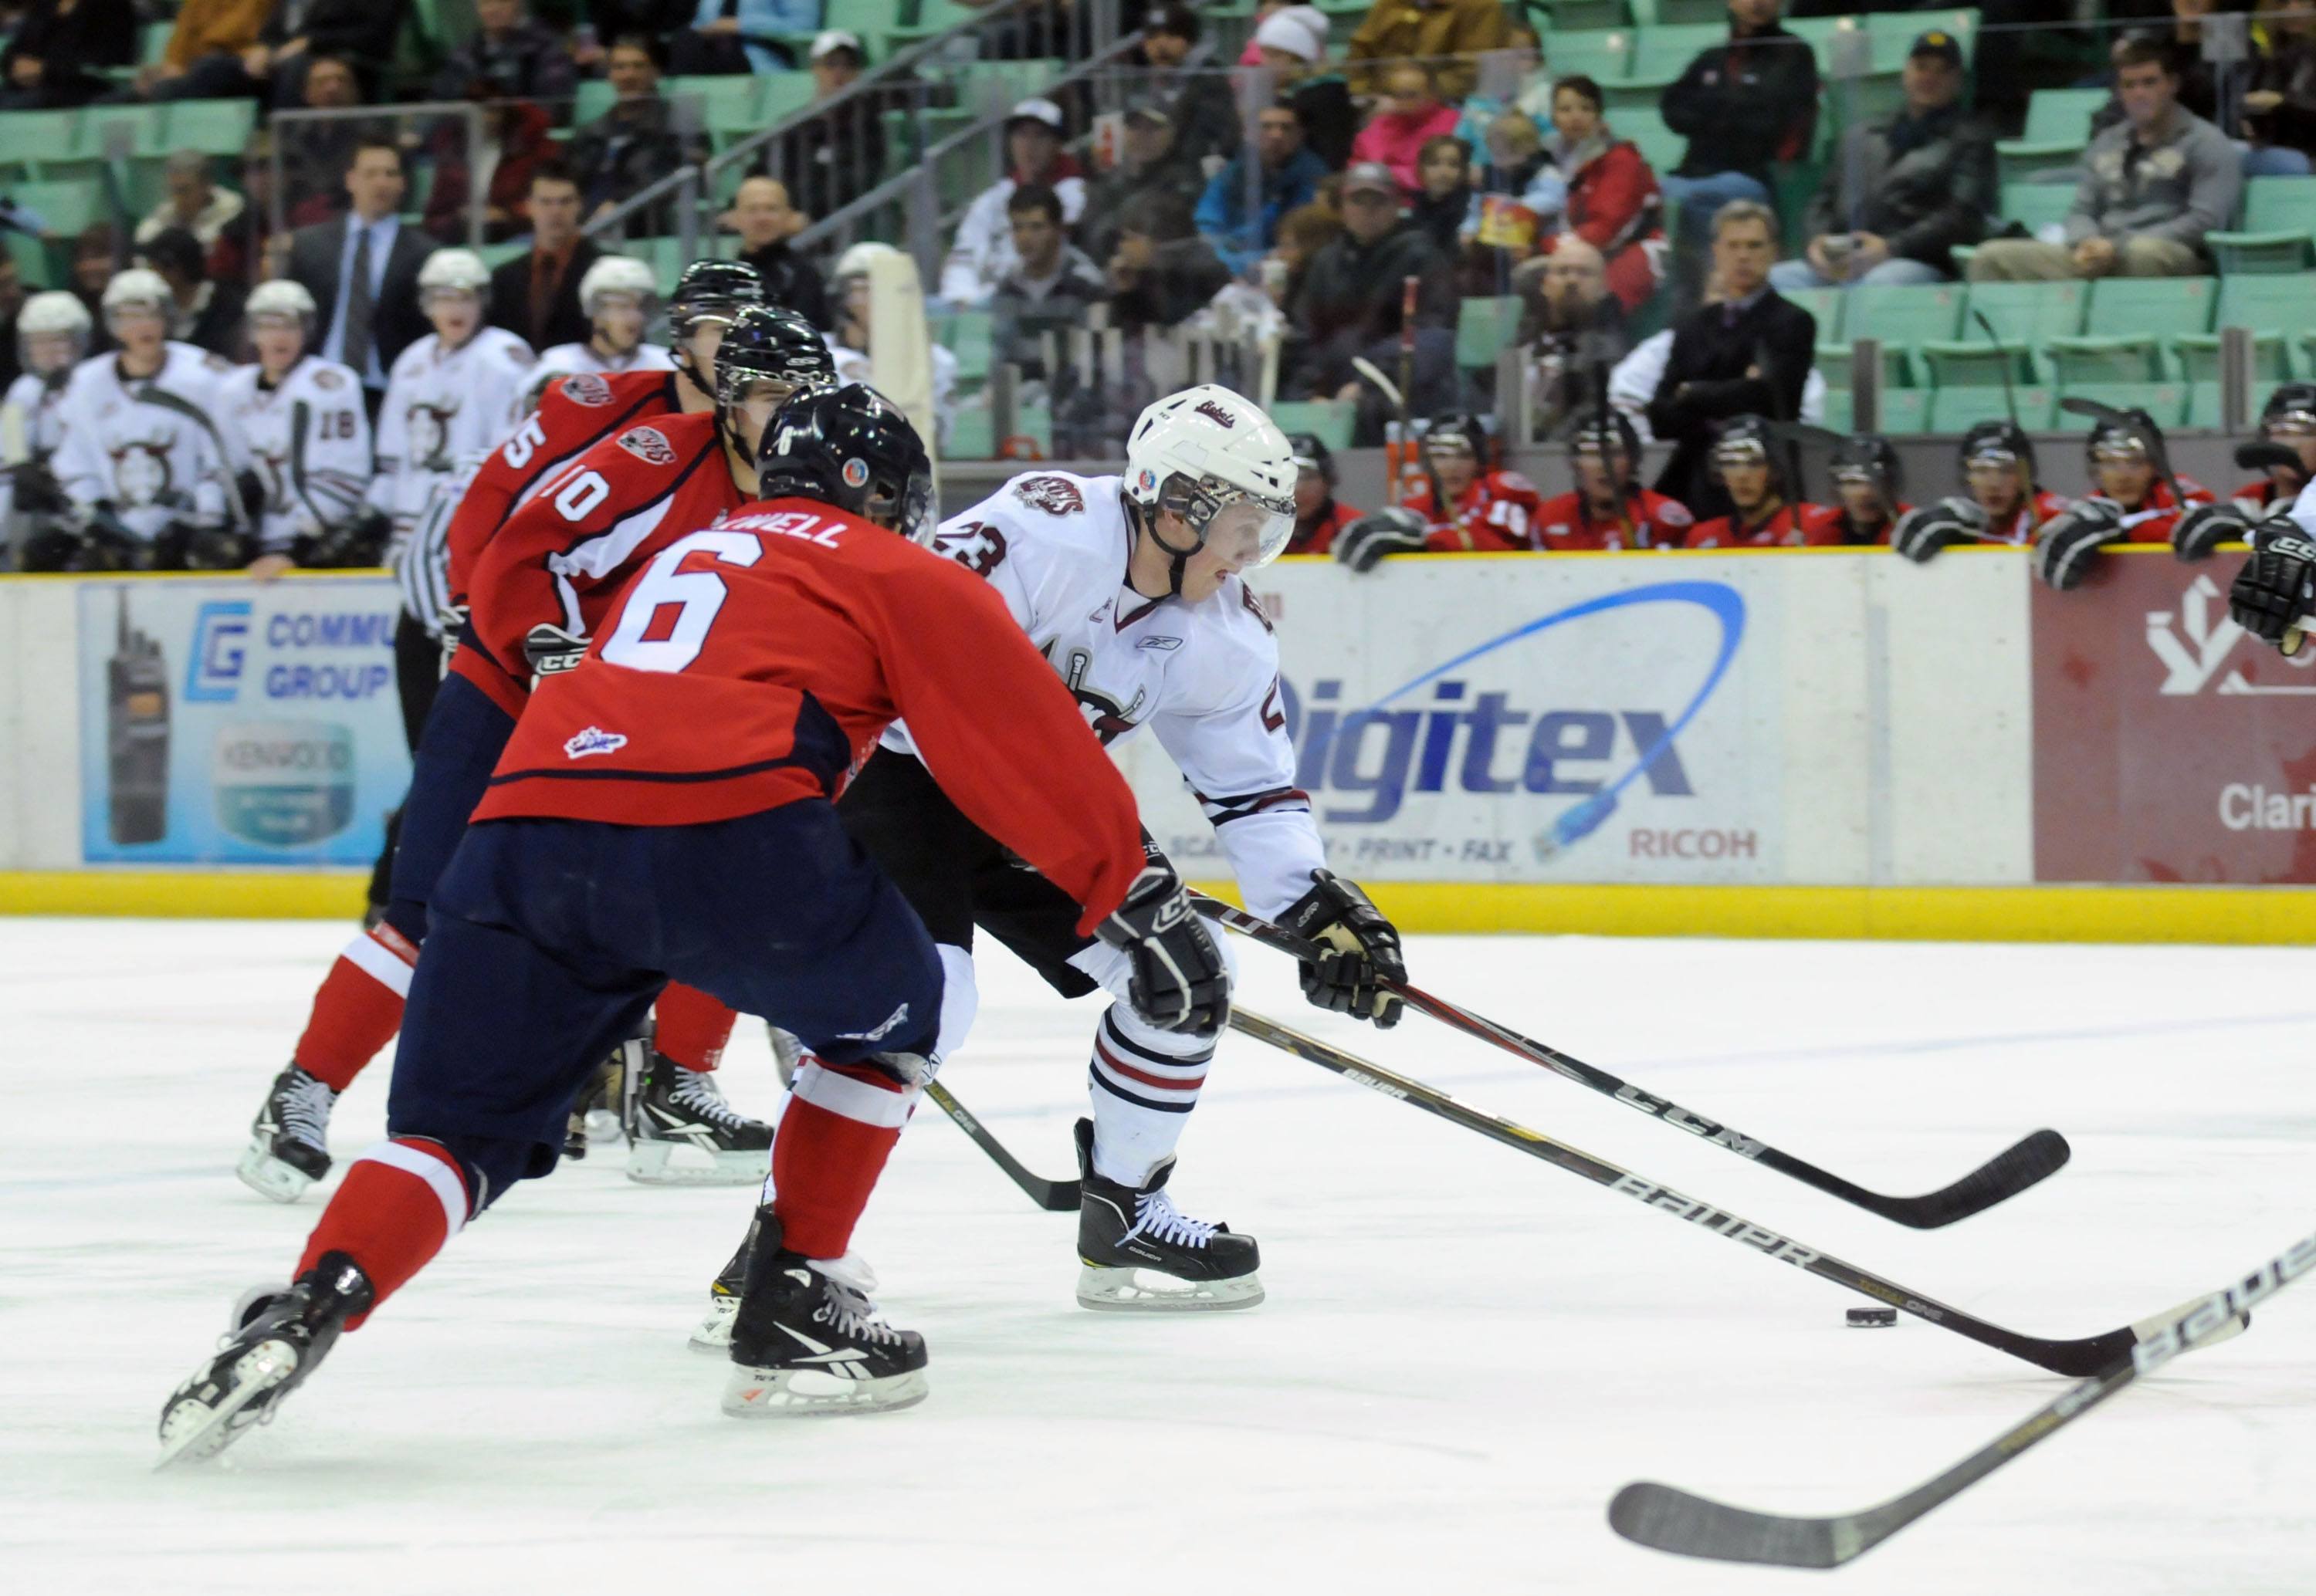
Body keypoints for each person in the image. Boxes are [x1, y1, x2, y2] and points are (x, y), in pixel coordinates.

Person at [155, 383, 1215, 1459]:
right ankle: (795, 1290)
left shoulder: (688, 550)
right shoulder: (896, 566)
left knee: (450, 1139)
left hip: (526, 832)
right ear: (885, 492)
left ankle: (314, 1301)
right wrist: (1132, 889)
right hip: (727, 826)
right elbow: (1021, 740)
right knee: (906, 1011)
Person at [691, 384, 1403, 1338]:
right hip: (895, 773)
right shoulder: (1046, 531)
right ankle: (779, 1254)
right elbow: (906, 659)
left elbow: (1253, 789)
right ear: (1177, 503)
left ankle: (1125, 1215)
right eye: (1240, 524)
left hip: (1035, 798)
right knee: (919, 1006)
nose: (1250, 554)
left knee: (1184, 982)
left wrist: (1313, 904)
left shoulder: (1225, 632)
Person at [236, 260, 777, 1202]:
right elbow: (494, 505)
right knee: (428, 904)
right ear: (682, 336)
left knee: (715, 881)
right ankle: (303, 1092)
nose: (738, 357)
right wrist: (495, 616)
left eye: (753, 340)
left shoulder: (773, 455)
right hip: (516, 676)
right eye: (720, 333)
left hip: (627, 710)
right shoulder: (607, 414)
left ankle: (673, 1081)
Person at [1969, 36, 2240, 282]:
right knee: (1990, 258)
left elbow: (2206, 220)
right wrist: (2087, 243)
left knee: (2143, 254)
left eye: (2149, 82)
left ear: (2172, 85)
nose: (2139, 93)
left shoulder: (2207, 142)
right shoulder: (2106, 142)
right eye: (2129, 85)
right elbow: (2081, 211)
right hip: (2099, 254)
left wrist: (2119, 245)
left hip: (2165, 255)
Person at [33, 270, 237, 572]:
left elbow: (224, 454)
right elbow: (76, 460)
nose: (142, 326)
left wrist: (206, 519)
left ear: (167, 316)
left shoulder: (206, 375)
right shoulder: (86, 383)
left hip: (188, 524)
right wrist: (96, 513)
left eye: (150, 314)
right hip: (117, 525)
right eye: (129, 317)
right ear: (114, 324)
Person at [1776, 32, 1991, 292]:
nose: (1929, 78)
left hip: (1915, 260)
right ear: (1906, 72)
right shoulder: (1864, 134)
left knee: (1878, 284)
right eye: (1921, 67)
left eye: (1942, 71)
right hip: (1846, 256)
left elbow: (1961, 217)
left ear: (1957, 81)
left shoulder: (1970, 139)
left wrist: (1892, 247)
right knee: (1778, 280)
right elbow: (1822, 201)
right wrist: (1817, 243)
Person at [1646, 201, 1816, 516]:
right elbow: (1660, 416)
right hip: (1695, 485)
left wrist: (1693, 393)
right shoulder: (1693, 324)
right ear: (1716, 252)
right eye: (1733, 245)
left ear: (1774, 252)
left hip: (1768, 487)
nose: (1743, 256)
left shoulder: (1792, 321)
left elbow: (1771, 399)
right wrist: (1739, 388)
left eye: (1754, 245)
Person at [367, 250, 534, 556]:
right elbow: (394, 450)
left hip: (472, 512)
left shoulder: (504, 358)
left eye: (465, 298)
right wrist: (375, 508)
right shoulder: (412, 359)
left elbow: (512, 449)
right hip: (411, 511)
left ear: (481, 302)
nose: (455, 310)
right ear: (427, 305)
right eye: (444, 299)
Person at [216, 278, 377, 581]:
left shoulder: (332, 385)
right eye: (269, 325)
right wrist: (230, 531)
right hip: (254, 549)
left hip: (315, 545)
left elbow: (344, 478)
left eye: (290, 326)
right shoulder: (232, 391)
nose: (280, 336)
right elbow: (225, 472)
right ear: (253, 331)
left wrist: (295, 550)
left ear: (306, 330)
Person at [1658, 0, 1819, 300]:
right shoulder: (1713, 57)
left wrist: (1710, 112)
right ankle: (1692, 298)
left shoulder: (1794, 53)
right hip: (1695, 172)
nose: (1757, 2)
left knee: (1688, 200)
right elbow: (1672, 107)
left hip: (1752, 174)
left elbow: (1771, 121)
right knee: (1658, 197)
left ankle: (1715, 292)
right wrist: (1732, 110)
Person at [1282, 162, 1458, 427]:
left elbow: (1432, 334)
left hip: (1392, 394)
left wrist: (1368, 383)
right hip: (1329, 393)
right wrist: (1308, 393)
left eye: (1378, 201)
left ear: (1396, 205)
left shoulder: (1422, 257)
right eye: (1358, 201)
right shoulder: (1326, 262)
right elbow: (1306, 332)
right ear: (1343, 208)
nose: (1367, 210)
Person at [286, 136, 437, 416]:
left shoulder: (425, 254)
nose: (381, 183)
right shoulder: (309, 246)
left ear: (403, 183)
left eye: (390, 174)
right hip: (316, 384)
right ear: (351, 180)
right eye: (370, 174)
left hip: (388, 392)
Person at [1331, 413, 1547, 568]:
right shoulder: (1415, 507)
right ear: (1426, 462)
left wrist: (1424, 541)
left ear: (1480, 459)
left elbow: (1493, 549)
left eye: (1463, 456)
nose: (1452, 467)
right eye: (1440, 456)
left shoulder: (1502, 488)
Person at [2030, 412, 2216, 590]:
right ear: (2096, 469)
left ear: (2156, 465)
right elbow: (2033, 550)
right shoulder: (2086, 511)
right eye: (2110, 463)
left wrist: (2123, 533)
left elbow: (2197, 526)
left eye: (2135, 462)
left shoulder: (2179, 493)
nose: (2123, 476)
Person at [939, 99, 1089, 306]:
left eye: (1040, 135)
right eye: (1021, 135)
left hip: (1048, 304)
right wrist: (964, 298)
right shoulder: (991, 199)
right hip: (987, 308)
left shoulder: (1077, 196)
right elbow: (963, 258)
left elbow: (1044, 262)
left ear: (1058, 143)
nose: (1029, 145)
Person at [1543, 76, 1664, 315]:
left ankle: (1603, 348)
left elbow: (1608, 229)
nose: (1576, 116)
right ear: (1554, 117)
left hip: (1633, 247)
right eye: (1565, 109)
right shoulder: (1549, 160)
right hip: (1579, 249)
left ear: (1599, 115)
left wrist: (1551, 245)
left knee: (1597, 291)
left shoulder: (1621, 159)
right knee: (1532, 279)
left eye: (1586, 108)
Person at [827, 243, 958, 448]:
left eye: (880, 289)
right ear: (843, 298)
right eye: (861, 289)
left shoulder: (935, 359)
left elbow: (938, 435)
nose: (873, 299)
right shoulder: (822, 353)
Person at [1891, 421, 2067, 563]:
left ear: (2026, 476)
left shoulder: (2050, 515)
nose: (1993, 484)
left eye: (2006, 470)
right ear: (1967, 476)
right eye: (1982, 470)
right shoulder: (1957, 520)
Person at [1199, 101, 1329, 279]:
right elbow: (1208, 224)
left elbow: (1302, 243)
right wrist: (1233, 261)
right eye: (1266, 127)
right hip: (1229, 269)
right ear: (1248, 133)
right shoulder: (1234, 172)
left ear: (1300, 134)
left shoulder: (1313, 176)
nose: (1276, 135)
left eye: (1286, 128)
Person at [569, 36, 691, 224]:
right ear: (610, 75)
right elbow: (571, 179)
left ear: (655, 72)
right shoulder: (591, 131)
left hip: (641, 226)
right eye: (620, 67)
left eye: (638, 66)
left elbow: (672, 183)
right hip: (583, 224)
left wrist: (622, 206)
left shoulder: (676, 126)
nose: (628, 75)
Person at [1531, 411, 1693, 550]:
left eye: (1615, 453)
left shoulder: (1661, 518)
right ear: (1575, 463)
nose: (1604, 465)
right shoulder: (1550, 517)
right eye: (1593, 453)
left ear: (1633, 460)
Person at [1079, 97, 1210, 265]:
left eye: (1153, 128)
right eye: (1134, 126)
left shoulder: (1186, 183)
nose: (1142, 135)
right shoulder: (1107, 181)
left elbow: (1189, 246)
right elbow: (1090, 238)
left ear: (1172, 133)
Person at [0, 290, 89, 533]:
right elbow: (14, 448)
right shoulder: (23, 390)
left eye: (58, 340)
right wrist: (28, 471)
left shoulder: (93, 381)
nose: (48, 350)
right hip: (39, 489)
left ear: (79, 341)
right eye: (39, 341)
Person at [487, 165, 602, 353]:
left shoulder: (604, 269)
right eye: (546, 202)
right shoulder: (504, 278)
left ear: (579, 205)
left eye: (565, 202)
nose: (556, 211)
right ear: (529, 206)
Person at [782, 30, 887, 231]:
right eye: (831, 64)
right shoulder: (791, 126)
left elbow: (856, 182)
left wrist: (807, 215)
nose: (840, 72)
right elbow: (763, 170)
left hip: (836, 228)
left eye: (849, 65)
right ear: (815, 69)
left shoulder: (867, 125)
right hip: (784, 222)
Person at [1680, 416, 1823, 547]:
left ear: (1775, 469)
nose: (1742, 475)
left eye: (1754, 462)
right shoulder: (1702, 537)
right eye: (1730, 463)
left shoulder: (1812, 523)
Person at [1137, 5, 1241, 169]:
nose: (1161, 44)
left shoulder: (1210, 79)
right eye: (1153, 36)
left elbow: (1219, 141)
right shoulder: (1147, 81)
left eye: (1172, 35)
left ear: (1191, 41)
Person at [536, 255, 675, 378]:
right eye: (623, 306)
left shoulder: (666, 366)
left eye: (641, 307)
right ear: (595, 310)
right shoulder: (559, 366)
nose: (636, 317)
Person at [1345, 0, 1508, 102]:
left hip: (1446, 104)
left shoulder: (1481, 6)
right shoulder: (1390, 4)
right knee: (1327, 95)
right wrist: (1363, 93)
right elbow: (1360, 49)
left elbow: (1472, 70)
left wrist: (1408, 96)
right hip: (1382, 98)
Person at [1253, 5, 1354, 169]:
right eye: (1264, 54)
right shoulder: (1287, 94)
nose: (1265, 62)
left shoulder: (1323, 97)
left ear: (1298, 59)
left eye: (1275, 55)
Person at [726, 174, 830, 328]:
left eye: (771, 209)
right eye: (752, 209)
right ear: (735, 218)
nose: (762, 218)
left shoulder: (804, 276)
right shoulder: (724, 277)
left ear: (789, 216)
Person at [1350, 63, 1462, 198]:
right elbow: (1359, 169)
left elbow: (1438, 176)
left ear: (1432, 94)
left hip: (1435, 203)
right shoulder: (1380, 124)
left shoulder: (1453, 123)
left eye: (1410, 95)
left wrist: (1387, 174)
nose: (1403, 101)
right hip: (1382, 201)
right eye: (1396, 95)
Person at [428, 0, 576, 102]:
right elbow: (438, 104)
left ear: (517, 3)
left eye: (502, 1)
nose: (494, 9)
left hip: (526, 141)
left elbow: (554, 106)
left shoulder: (547, 49)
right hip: (469, 140)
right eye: (486, 2)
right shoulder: (463, 55)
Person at [0, 0, 134, 109]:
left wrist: (46, 70)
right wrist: (16, 65)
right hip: (28, 88)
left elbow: (107, 57)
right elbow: (16, 48)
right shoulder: (45, 6)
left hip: (79, 88)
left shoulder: (113, 6)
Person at [141, 226, 248, 360]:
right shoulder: (153, 306)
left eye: (156, 269)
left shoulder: (228, 305)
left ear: (177, 270)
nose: (152, 277)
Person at [141, 0, 272, 100]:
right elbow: (178, 48)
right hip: (198, 70)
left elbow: (228, 37)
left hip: (243, 66)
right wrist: (172, 67)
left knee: (210, 67)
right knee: (135, 95)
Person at [134, 154, 247, 264]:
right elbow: (142, 251)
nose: (177, 197)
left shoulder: (234, 210)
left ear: (207, 184)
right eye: (172, 189)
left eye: (183, 190)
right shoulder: (164, 214)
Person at [670, 0, 819, 76]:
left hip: (757, 56)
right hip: (712, 52)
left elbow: (803, 25)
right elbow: (701, 24)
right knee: (683, 41)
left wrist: (740, 24)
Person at [1814, 435, 1908, 546]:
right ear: (1837, 489)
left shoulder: (1915, 528)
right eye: (1853, 482)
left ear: (1892, 485)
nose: (1865, 492)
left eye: (1876, 481)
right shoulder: (1822, 532)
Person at [1283, 430, 1362, 555]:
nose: (1298, 488)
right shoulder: (1252, 527)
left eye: (1307, 477)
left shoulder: (1353, 528)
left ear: (1328, 481)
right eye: (1285, 477)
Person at [1410, 136, 1475, 256]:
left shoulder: (1471, 208)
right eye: (1434, 164)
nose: (1443, 172)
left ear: (1464, 171)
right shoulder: (1414, 205)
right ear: (1421, 169)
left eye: (1453, 165)